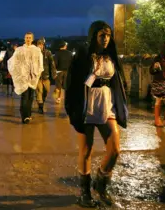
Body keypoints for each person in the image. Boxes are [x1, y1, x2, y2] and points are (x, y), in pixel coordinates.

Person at [65, 21, 128, 207]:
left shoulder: (111, 56)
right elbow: (73, 82)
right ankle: (84, 194)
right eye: (102, 35)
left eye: (108, 35)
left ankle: (100, 183)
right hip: (87, 103)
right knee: (86, 150)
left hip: (107, 103)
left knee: (115, 149)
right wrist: (73, 108)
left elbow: (118, 81)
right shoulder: (84, 55)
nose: (106, 38)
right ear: (94, 36)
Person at [8, 32, 43, 124]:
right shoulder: (19, 50)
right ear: (24, 39)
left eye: (29, 37)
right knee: (25, 96)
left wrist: (38, 73)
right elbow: (13, 62)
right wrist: (18, 72)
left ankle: (28, 114)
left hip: (33, 77)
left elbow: (40, 63)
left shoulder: (37, 50)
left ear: (32, 39)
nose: (28, 39)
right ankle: (24, 116)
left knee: (31, 97)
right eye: (26, 37)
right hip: (23, 78)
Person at [36, 38, 57, 114]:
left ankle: (42, 101)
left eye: (41, 44)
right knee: (39, 91)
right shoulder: (34, 53)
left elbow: (52, 63)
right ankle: (40, 107)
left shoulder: (48, 52)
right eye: (38, 44)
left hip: (46, 75)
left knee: (46, 91)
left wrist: (54, 73)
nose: (40, 46)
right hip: (37, 76)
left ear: (43, 45)